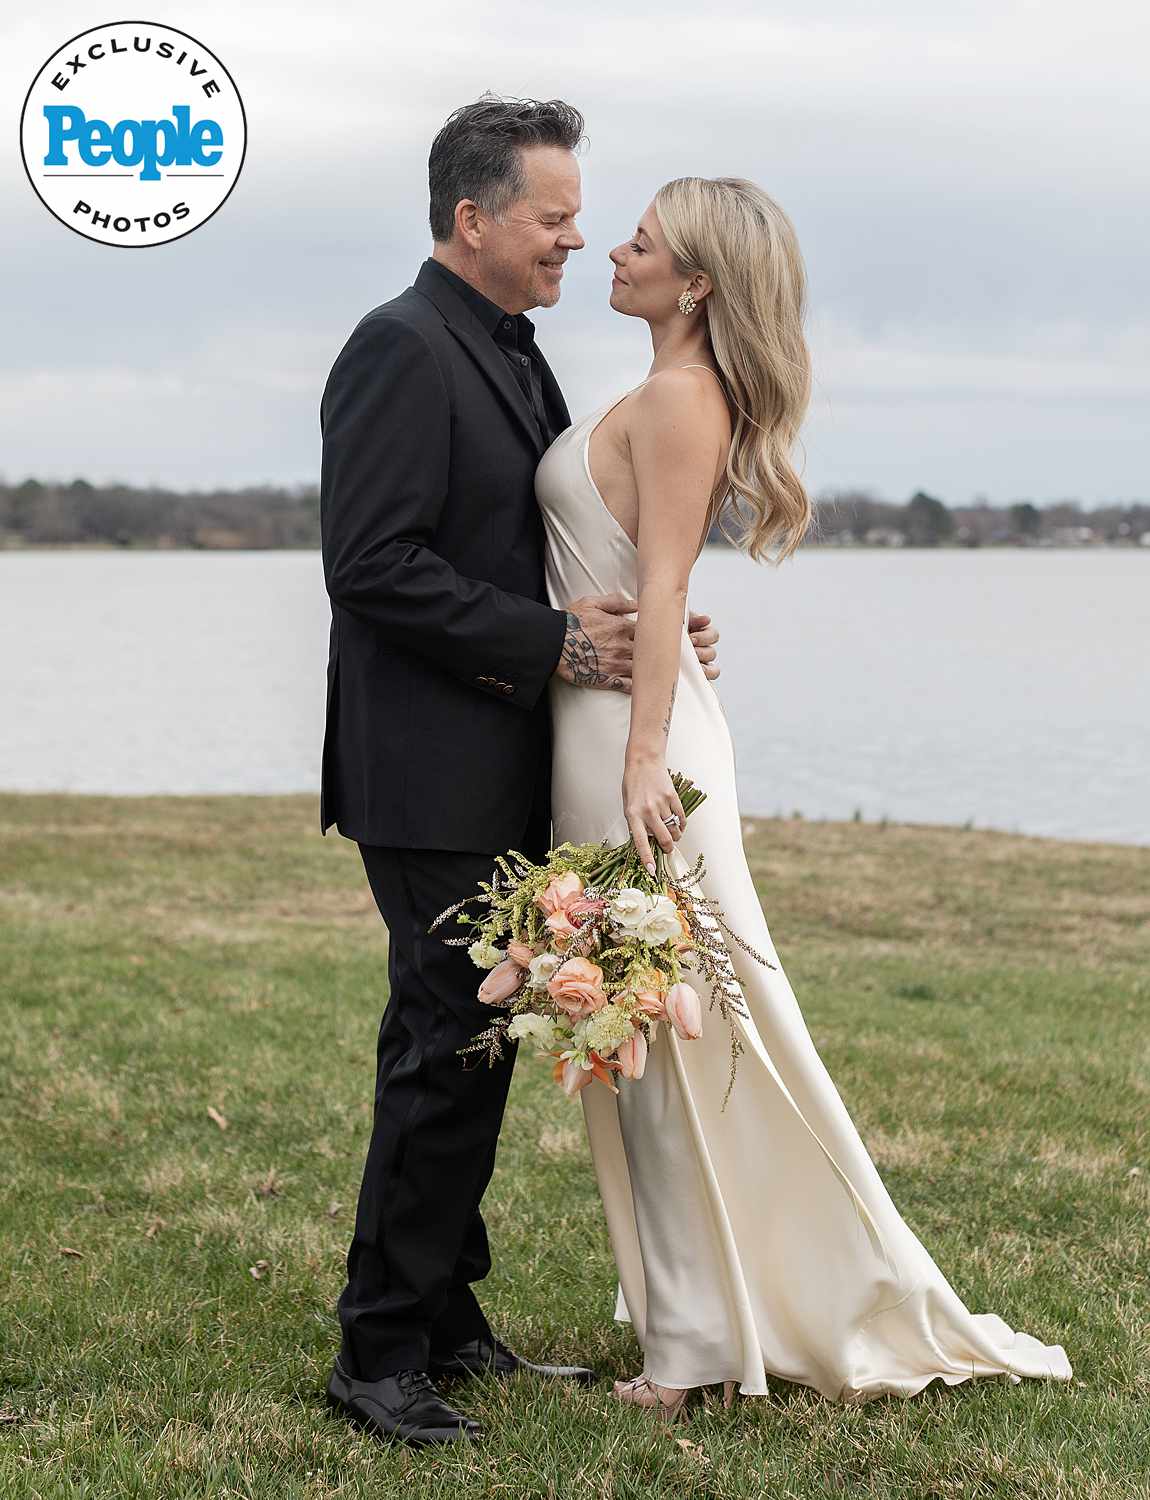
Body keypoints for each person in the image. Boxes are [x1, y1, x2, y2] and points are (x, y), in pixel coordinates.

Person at [534, 174, 1074, 1419]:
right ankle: (694, 1308)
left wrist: (638, 760)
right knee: (649, 1025)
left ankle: (692, 1346)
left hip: (637, 745)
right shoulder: (659, 389)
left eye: (644, 240)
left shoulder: (679, 397)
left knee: (681, 1027)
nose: (615, 246)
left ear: (699, 282)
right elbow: (628, 576)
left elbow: (661, 587)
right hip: (608, 720)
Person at [316, 96, 723, 1448]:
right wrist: (557, 643)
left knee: (471, 1046)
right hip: (424, 768)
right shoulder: (398, 347)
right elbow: (372, 566)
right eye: (552, 218)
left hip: (501, 758)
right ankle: (378, 1358)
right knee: (445, 1047)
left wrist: (642, 625)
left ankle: (443, 1317)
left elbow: (540, 549)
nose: (574, 238)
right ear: (472, 217)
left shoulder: (512, 350)